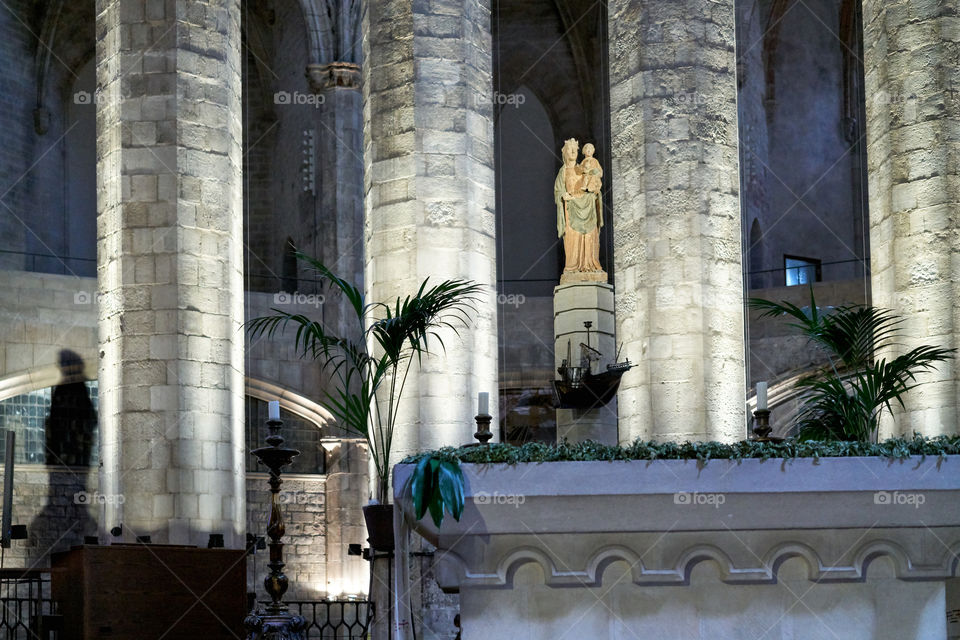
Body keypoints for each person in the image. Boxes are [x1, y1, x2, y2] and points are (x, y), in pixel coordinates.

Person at [554, 138, 605, 280]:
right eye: (570, 149)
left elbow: (594, 182)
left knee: (590, 237)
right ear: (565, 152)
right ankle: (573, 266)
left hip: (588, 207)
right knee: (573, 238)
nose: (573, 152)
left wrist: (595, 192)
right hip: (572, 209)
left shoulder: (582, 168)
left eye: (575, 150)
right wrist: (563, 195)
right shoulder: (563, 172)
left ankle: (590, 265)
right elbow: (558, 190)